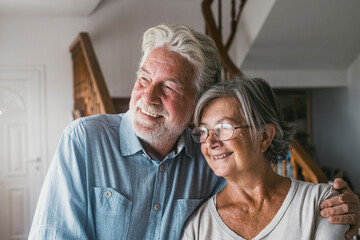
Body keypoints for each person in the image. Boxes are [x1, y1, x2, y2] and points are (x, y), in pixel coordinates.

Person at [29, 24, 360, 239]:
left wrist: (346, 206)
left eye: (169, 87)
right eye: (143, 79)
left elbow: (260, 188)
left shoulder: (210, 157)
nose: (147, 97)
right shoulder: (85, 141)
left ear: (197, 104)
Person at [181, 77, 350, 239]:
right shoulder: (198, 227)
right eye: (203, 131)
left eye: (224, 128)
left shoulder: (322, 204)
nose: (210, 142)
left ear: (264, 137)